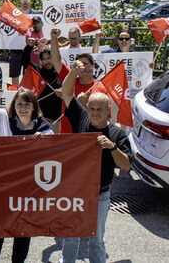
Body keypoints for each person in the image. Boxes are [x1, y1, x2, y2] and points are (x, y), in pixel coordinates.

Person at [59, 60, 131, 263]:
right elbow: (66, 92)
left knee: (97, 240)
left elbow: (126, 165)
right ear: (87, 108)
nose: (95, 113)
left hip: (100, 195)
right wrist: (73, 71)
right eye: (91, 108)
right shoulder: (81, 118)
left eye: (100, 109)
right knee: (71, 236)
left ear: (108, 111)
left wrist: (112, 147)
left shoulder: (117, 134)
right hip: (76, 192)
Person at [0, 75, 53, 263]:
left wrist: (43, 145)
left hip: (28, 189)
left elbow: (53, 156)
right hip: (4, 186)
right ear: (14, 106)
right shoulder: (4, 119)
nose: (23, 108)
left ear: (34, 107)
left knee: (22, 231)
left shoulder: (45, 129)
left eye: (27, 105)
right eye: (19, 104)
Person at [20, 31, 64, 132]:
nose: (46, 62)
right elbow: (24, 62)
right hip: (40, 120)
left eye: (49, 58)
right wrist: (29, 47)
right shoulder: (38, 71)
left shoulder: (62, 72)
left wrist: (63, 93)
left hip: (57, 121)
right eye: (43, 59)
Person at [9, 0, 37, 86]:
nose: (25, 5)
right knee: (15, 74)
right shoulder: (14, 16)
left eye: (27, 3)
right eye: (23, 3)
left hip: (29, 50)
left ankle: (27, 94)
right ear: (20, 4)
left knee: (29, 74)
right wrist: (0, 28)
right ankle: (16, 93)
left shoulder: (36, 16)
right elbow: (6, 27)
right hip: (16, 49)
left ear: (30, 4)